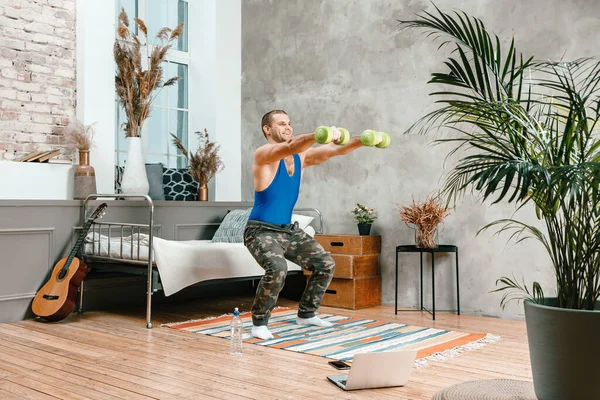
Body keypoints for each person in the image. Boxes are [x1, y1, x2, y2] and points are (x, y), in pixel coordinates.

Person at [244, 109, 365, 340]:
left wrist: (364, 140)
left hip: (287, 230)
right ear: (267, 129)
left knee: (325, 264)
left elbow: (335, 150)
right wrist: (319, 134)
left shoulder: (301, 158)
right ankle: (259, 323)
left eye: (289, 123)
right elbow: (290, 146)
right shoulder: (264, 154)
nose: (288, 127)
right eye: (281, 124)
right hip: (260, 231)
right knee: (277, 269)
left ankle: (307, 314)